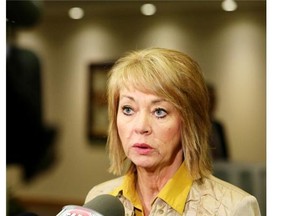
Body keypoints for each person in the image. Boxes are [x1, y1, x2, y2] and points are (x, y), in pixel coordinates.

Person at [85, 48, 261, 215]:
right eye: (128, 109)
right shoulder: (99, 199)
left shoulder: (232, 209)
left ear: (189, 122)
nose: (141, 127)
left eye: (159, 112)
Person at [207, 84, 230, 161]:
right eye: (210, 100)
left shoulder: (219, 126)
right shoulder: (194, 126)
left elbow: (225, 156)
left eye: (214, 100)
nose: (212, 104)